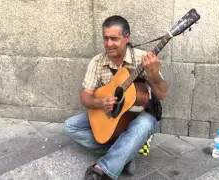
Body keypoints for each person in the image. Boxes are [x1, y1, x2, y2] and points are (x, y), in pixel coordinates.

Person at [64, 15, 168, 180]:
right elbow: (85, 96)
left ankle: (103, 169)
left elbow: (162, 94)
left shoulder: (143, 59)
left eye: (114, 38)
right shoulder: (97, 61)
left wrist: (153, 74)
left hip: (136, 116)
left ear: (127, 38)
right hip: (111, 117)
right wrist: (99, 102)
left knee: (146, 123)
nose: (109, 44)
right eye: (105, 38)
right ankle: (125, 153)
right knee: (71, 126)